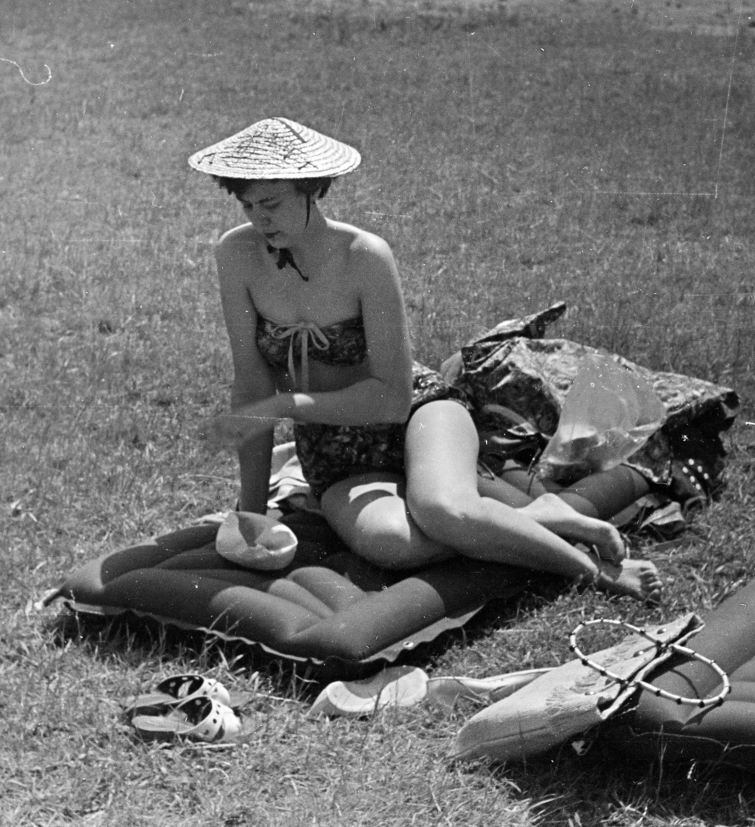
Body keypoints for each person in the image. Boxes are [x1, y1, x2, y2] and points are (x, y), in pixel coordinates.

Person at [190, 118, 660, 600]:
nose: (259, 219)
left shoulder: (365, 256)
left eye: (271, 203)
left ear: (312, 188)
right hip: (334, 447)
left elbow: (391, 399)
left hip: (417, 411)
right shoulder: (237, 254)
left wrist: (289, 405)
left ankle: (595, 571)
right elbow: (251, 388)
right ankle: (531, 517)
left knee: (441, 510)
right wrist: (251, 515)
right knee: (390, 543)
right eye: (247, 205)